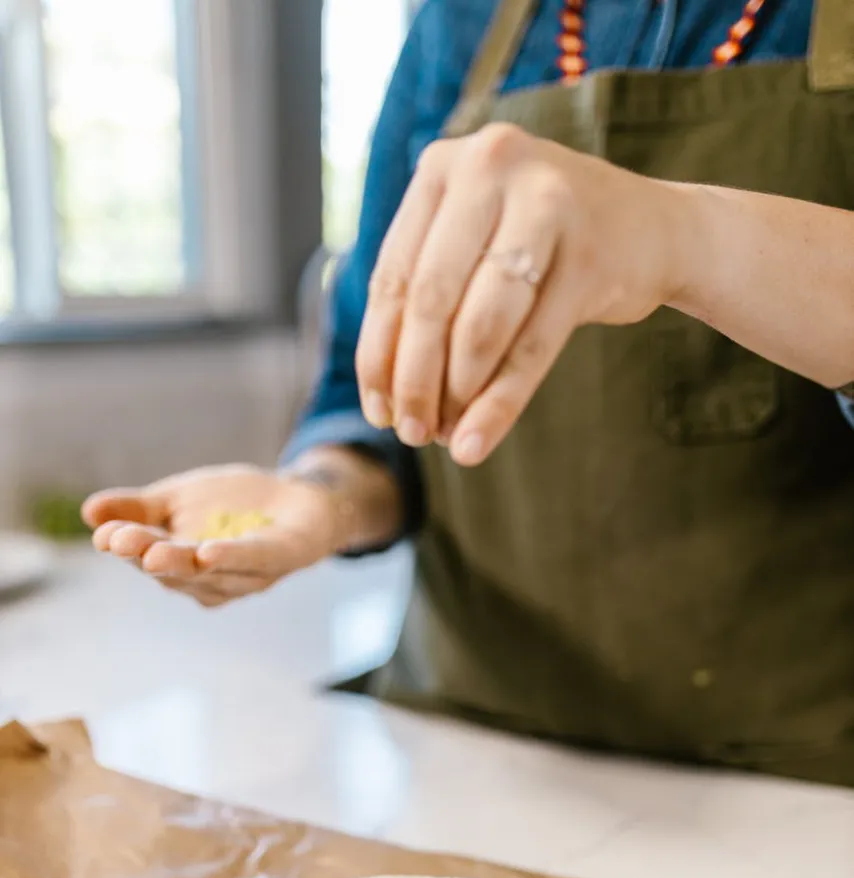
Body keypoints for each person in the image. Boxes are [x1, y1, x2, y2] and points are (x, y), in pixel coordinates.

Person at [85, 0, 854, 786]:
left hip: (798, 776)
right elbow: (368, 398)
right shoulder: (459, 20)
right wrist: (325, 497)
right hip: (467, 749)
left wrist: (691, 235)